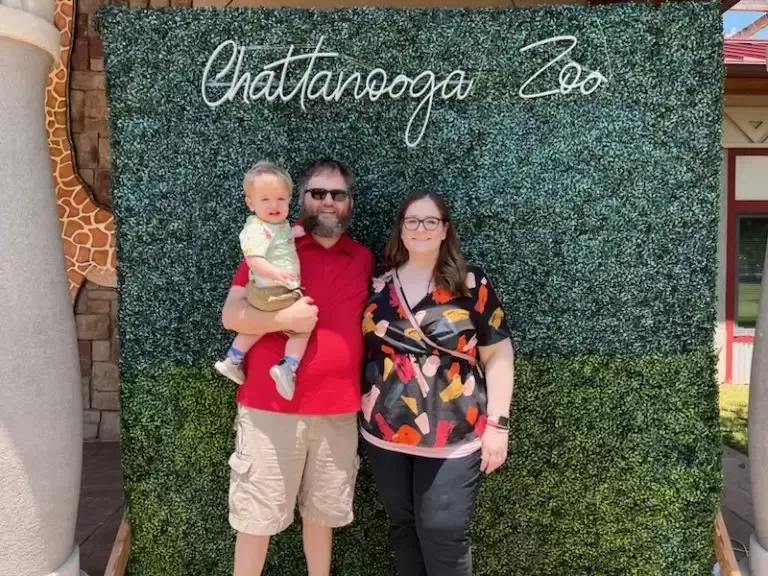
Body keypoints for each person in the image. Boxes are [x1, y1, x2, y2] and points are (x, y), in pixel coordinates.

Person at [220, 159, 374, 576]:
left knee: (322, 517)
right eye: (317, 193)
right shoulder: (275, 246)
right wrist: (282, 322)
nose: (327, 201)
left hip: (338, 412)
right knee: (256, 519)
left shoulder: (363, 258)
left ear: (349, 203)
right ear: (300, 200)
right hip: (270, 410)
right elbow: (232, 316)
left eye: (337, 194)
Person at [360, 190, 515, 576]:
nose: (421, 228)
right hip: (384, 432)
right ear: (401, 229)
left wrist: (499, 425)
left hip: (456, 432)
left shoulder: (470, 282)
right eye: (412, 220)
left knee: (443, 531)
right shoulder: (379, 286)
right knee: (405, 529)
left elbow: (498, 353)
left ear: (445, 230)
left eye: (432, 221)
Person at [214, 161, 308, 400]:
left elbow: (279, 237)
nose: (274, 205)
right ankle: (288, 368)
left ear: (289, 200)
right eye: (265, 200)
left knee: (260, 327)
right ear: (250, 203)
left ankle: (233, 358)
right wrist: (278, 274)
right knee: (303, 326)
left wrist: (293, 233)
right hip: (274, 290)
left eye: (280, 199)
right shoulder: (256, 229)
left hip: (269, 291)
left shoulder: (275, 225)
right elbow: (254, 260)